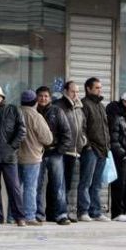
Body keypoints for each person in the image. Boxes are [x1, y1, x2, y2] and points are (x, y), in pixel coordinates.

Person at [0, 85, 26, 225]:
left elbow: (22, 130)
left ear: (2, 97)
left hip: (9, 156)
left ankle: (19, 217)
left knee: (14, 187)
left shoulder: (13, 110)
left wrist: (12, 147)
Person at [35, 86, 72, 225]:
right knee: (36, 186)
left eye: (46, 96)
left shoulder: (57, 111)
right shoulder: (34, 112)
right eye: (40, 96)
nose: (43, 98)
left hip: (55, 153)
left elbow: (67, 133)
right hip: (37, 154)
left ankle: (61, 214)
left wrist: (60, 151)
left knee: (58, 185)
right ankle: (38, 214)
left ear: (50, 98)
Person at [53, 81, 87, 222]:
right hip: (62, 150)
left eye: (77, 92)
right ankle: (57, 213)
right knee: (59, 184)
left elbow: (83, 126)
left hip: (75, 151)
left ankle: (65, 211)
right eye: (73, 91)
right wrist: (59, 145)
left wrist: (83, 140)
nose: (75, 94)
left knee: (68, 184)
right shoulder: (59, 106)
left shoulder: (79, 107)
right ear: (66, 91)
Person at [78, 77, 111, 222]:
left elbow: (105, 128)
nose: (99, 90)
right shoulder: (84, 104)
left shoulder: (101, 106)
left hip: (103, 150)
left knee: (97, 183)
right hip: (91, 149)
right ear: (88, 89)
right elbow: (82, 128)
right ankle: (83, 211)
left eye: (100, 87)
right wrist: (88, 146)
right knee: (86, 181)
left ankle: (96, 211)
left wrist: (107, 146)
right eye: (96, 87)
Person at [18, 90, 52, 227]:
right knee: (30, 188)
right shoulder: (36, 116)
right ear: (34, 102)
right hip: (32, 158)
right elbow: (48, 138)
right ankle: (29, 216)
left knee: (16, 188)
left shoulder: (15, 113)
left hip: (15, 158)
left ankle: (12, 215)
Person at [106, 92, 126, 222]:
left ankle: (124, 211)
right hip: (120, 156)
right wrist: (121, 153)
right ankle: (117, 212)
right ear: (121, 101)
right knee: (119, 185)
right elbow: (113, 138)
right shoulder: (115, 115)